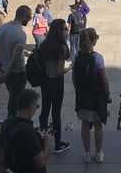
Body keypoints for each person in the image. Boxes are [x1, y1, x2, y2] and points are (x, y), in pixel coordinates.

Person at [73, 28, 111, 163]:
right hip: (97, 95)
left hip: (83, 95)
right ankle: (99, 152)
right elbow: (104, 79)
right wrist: (107, 94)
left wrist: (78, 90)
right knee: (98, 124)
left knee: (85, 124)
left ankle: (87, 152)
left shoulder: (76, 57)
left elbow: (74, 79)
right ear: (93, 41)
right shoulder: (97, 57)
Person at [37, 19, 72, 153]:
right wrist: (70, 68)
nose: (67, 30)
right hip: (56, 81)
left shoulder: (44, 44)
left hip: (45, 80)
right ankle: (58, 143)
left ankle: (42, 139)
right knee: (56, 112)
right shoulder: (61, 47)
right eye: (65, 29)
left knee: (45, 110)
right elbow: (59, 70)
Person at [1, 88, 53, 173]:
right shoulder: (28, 132)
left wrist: (37, 137)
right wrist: (47, 143)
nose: (36, 109)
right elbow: (40, 162)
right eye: (37, 106)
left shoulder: (7, 123)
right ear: (31, 106)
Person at [0, 5, 31, 118]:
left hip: (4, 70)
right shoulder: (20, 34)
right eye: (29, 17)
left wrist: (0, 71)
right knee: (16, 102)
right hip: (17, 73)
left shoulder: (1, 29)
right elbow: (15, 59)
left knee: (13, 97)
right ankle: (12, 124)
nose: (29, 20)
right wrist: (6, 74)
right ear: (23, 16)